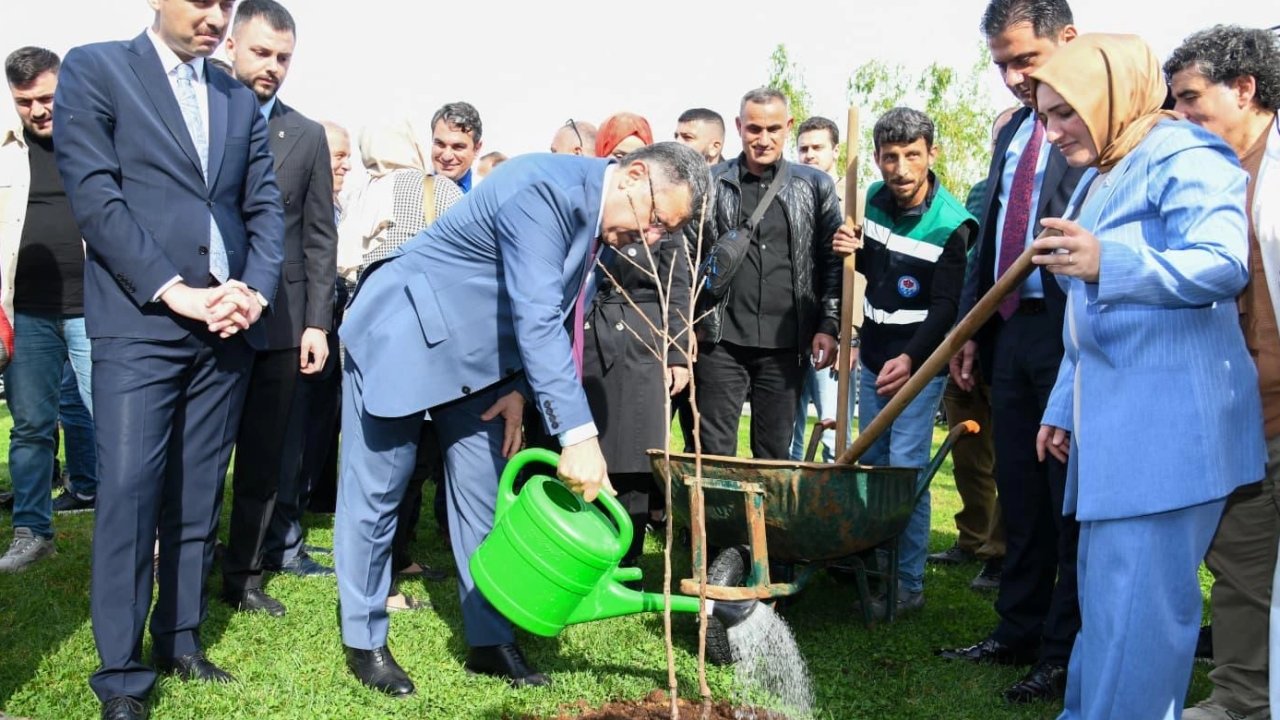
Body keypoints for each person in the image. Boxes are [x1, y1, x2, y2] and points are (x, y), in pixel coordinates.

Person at [334, 142, 708, 695]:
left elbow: (554, 313)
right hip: (404, 335)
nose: (650, 239)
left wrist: (519, 390)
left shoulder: (598, 215)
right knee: (379, 493)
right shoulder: (544, 188)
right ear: (632, 176)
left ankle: (488, 638)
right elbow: (536, 316)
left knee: (483, 497)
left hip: (480, 365)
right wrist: (578, 437)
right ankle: (364, 639)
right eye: (655, 221)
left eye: (664, 232)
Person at [52, 0, 285, 715]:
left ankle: (179, 639)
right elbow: (97, 198)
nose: (218, 16)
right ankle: (121, 677)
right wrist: (174, 290)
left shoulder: (234, 96)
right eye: (205, 0)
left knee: (196, 492)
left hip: (226, 327)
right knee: (127, 494)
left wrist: (255, 291)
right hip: (141, 322)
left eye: (227, 5)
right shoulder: (96, 70)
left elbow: (264, 207)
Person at [1028, 32, 1264, 719]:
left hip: (1169, 436)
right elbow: (1083, 311)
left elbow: (1223, 263)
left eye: (1066, 111)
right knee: (1107, 613)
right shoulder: (1105, 170)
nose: (1053, 131)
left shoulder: (1185, 153)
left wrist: (1113, 263)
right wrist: (1064, 405)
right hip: (1116, 432)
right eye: (1045, 116)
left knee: (1141, 624)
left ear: (1110, 95)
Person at [938, 0, 1086, 705]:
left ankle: (1063, 651)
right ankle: (1016, 630)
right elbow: (990, 232)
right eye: (1001, 64)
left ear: (1069, 42)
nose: (1013, 77)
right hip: (1012, 334)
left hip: (1072, 333)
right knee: (1022, 498)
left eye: (1025, 59)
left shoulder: (1095, 131)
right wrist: (971, 329)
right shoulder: (1013, 129)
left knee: (1068, 502)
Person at [1164, 24, 1280, 720]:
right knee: (1240, 567)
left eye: (1190, 99)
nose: (1179, 117)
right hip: (1239, 414)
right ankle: (1241, 697)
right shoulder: (1203, 179)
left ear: (1245, 88)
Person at [218, 0, 338, 617]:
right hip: (202, 315)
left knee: (267, 456)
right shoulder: (195, 116)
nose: (272, 67)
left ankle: (244, 575)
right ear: (231, 44)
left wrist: (317, 322)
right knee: (201, 455)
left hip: (283, 325)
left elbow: (320, 238)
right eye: (261, 52)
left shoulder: (308, 135)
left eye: (283, 58)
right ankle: (187, 558)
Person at [831, 107, 975, 617]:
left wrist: (913, 359)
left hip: (918, 366)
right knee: (869, 466)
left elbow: (946, 307)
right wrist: (854, 249)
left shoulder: (953, 225)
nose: (901, 168)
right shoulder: (869, 199)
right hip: (872, 357)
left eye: (912, 155)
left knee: (906, 469)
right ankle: (868, 564)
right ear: (876, 158)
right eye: (890, 157)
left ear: (931, 154)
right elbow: (880, 268)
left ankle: (908, 584)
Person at [337, 117, 465, 611]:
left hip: (371, 332)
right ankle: (386, 577)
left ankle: (373, 581)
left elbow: (347, 256)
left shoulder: (367, 193)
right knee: (409, 465)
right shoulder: (442, 190)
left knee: (371, 467)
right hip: (430, 338)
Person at [694, 88, 841, 460]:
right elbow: (689, 257)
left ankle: (767, 522)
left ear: (788, 127)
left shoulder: (815, 186)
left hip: (785, 345)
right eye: (754, 129)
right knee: (712, 452)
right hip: (720, 340)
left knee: (774, 453)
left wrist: (829, 324)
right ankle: (711, 520)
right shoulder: (710, 182)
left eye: (773, 129)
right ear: (739, 126)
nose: (763, 139)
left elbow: (831, 263)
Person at [0, 46, 96, 572]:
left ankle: (133, 529)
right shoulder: (5, 153)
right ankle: (33, 533)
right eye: (24, 101)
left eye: (47, 98)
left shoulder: (97, 143)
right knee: (32, 426)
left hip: (96, 310)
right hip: (26, 315)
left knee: (114, 421)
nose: (38, 110)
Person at [581, 113, 691, 566]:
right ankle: (586, 547)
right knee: (594, 444)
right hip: (593, 341)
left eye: (633, 152)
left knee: (639, 454)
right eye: (617, 154)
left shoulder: (665, 223)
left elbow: (679, 287)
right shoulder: (593, 209)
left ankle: (627, 557)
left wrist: (678, 352)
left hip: (646, 343)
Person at [928, 105, 1018, 593]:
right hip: (965, 338)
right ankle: (971, 536)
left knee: (1009, 451)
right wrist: (960, 335)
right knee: (966, 448)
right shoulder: (980, 194)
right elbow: (970, 266)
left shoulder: (1041, 192)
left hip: (1009, 340)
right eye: (1002, 138)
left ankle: (999, 552)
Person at [789, 115, 848, 462]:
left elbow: (854, 274)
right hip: (795, 328)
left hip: (835, 332)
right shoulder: (791, 192)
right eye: (803, 149)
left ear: (835, 151)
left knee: (833, 426)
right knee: (788, 430)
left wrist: (850, 334)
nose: (809, 155)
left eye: (817, 147)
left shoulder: (852, 199)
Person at [430, 101, 482, 193]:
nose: (447, 156)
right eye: (440, 144)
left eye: (458, 147)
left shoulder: (486, 195)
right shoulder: (410, 187)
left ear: (476, 149)